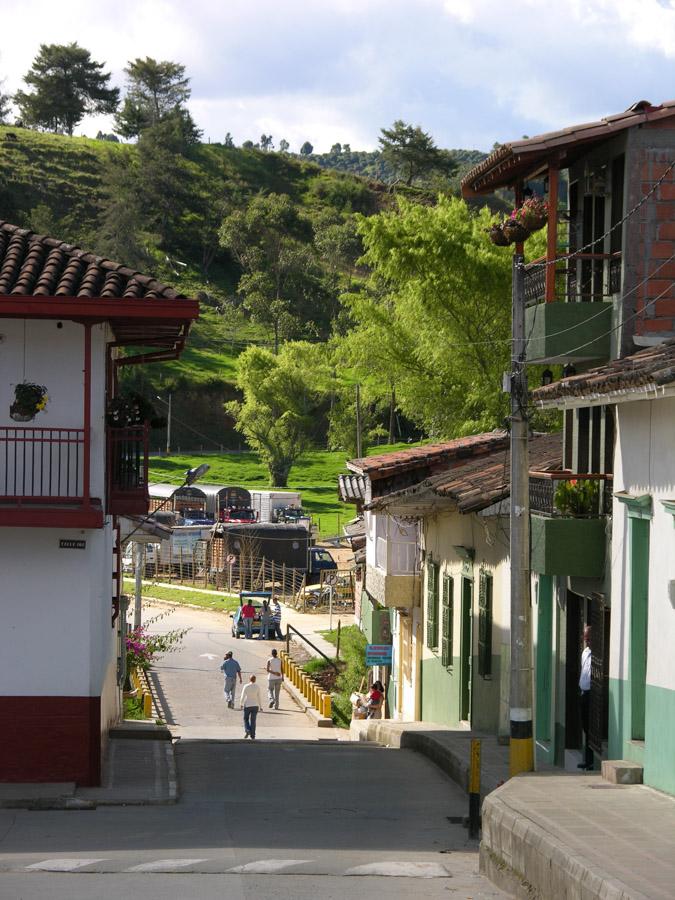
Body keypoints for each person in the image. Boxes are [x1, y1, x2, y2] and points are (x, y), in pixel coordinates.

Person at [578, 625, 594, 771]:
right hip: (583, 693)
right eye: (585, 638)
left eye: (589, 638)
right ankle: (587, 760)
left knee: (591, 729)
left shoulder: (597, 654)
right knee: (585, 727)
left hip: (593, 695)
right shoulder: (585, 652)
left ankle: (590, 761)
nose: (587, 640)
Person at [240, 674, 262, 740]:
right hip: (255, 706)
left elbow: (242, 696)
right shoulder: (257, 687)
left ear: (249, 679)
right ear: (255, 680)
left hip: (247, 705)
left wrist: (241, 703)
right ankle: (253, 735)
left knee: (245, 718)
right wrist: (260, 706)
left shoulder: (246, 686)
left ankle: (248, 730)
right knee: (253, 721)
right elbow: (259, 697)